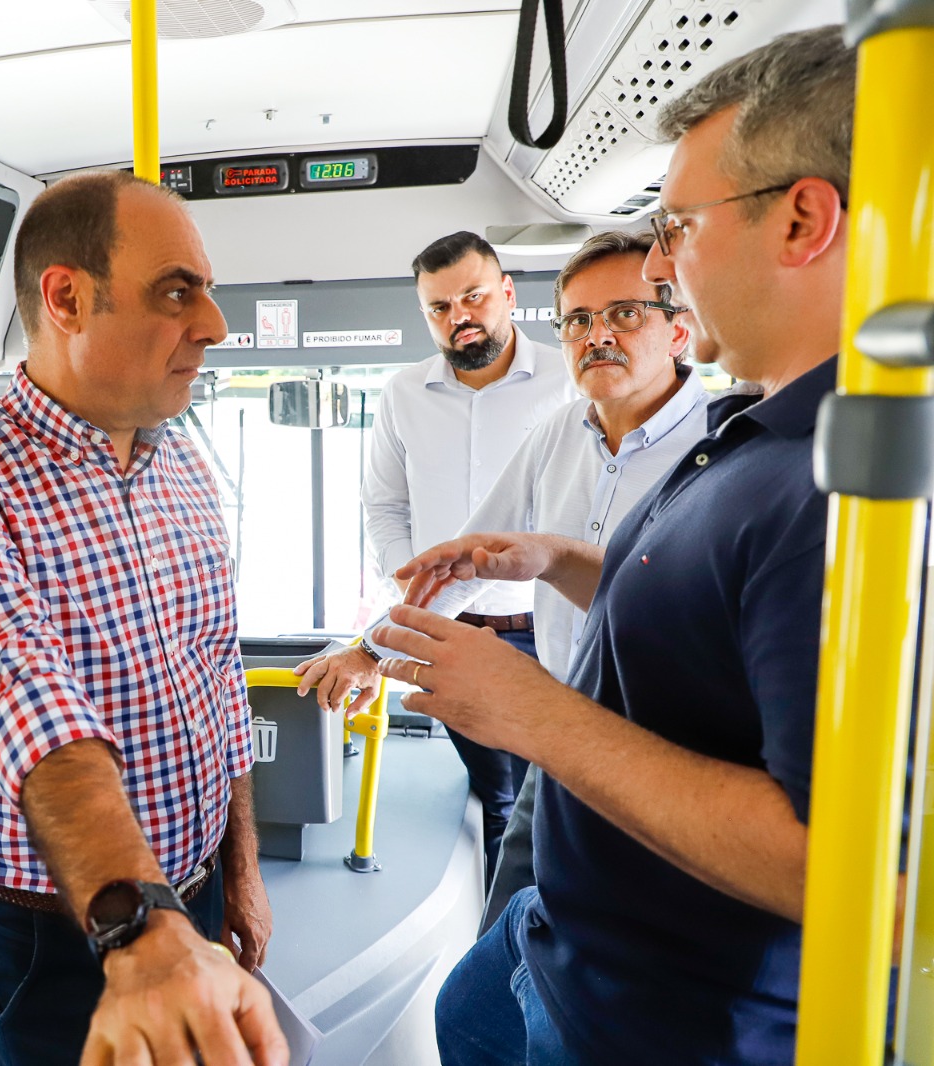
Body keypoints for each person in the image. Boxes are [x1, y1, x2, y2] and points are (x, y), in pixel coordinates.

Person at [382, 26, 854, 1065]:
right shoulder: (759, 429)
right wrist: (555, 560)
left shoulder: (842, 487)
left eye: (677, 224)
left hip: (665, 1018)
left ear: (801, 220)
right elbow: (708, 627)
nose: (657, 262)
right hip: (569, 932)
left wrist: (533, 714)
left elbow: (841, 867)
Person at [0, 170, 287, 1066]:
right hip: (55, 934)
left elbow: (218, 678)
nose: (214, 325)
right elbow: (19, 698)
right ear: (66, 298)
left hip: (192, 899)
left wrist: (240, 873)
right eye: (177, 291)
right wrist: (139, 922)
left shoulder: (186, 464)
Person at [299, 230, 709, 930]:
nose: (596, 335)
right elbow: (470, 559)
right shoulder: (556, 435)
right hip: (555, 719)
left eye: (625, 313)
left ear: (680, 330)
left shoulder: (718, 446)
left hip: (668, 751)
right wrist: (369, 651)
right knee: (490, 973)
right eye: (579, 320)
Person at [347, 231, 574, 872]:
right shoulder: (402, 394)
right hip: (451, 630)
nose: (459, 318)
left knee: (553, 798)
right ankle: (504, 947)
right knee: (496, 799)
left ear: (506, 293)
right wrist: (414, 590)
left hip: (548, 629)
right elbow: (385, 506)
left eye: (472, 297)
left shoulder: (567, 381)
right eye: (439, 308)